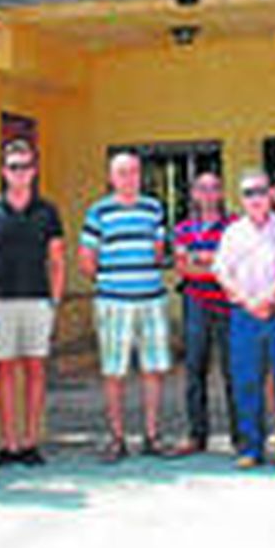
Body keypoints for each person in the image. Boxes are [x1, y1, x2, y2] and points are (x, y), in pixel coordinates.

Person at [80, 152, 172, 462]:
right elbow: (86, 260)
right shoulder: (98, 212)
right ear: (111, 177)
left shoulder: (154, 208)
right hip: (114, 302)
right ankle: (117, 438)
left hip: (152, 299)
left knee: (153, 370)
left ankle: (152, 435)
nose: (128, 178)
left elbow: (159, 253)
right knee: (113, 371)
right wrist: (114, 281)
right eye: (122, 172)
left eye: (133, 172)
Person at [0, 139, 65, 467]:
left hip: (37, 300)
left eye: (25, 166)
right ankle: (9, 443)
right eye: (14, 166)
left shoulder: (47, 211)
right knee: (3, 372)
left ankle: (30, 442)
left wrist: (54, 303)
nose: (20, 172)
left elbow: (57, 260)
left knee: (35, 371)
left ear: (34, 171)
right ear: (4, 171)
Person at [214, 169, 275, 470]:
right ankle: (251, 448)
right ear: (240, 199)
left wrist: (267, 296)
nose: (255, 198)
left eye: (261, 191)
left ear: (271, 195)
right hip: (244, 315)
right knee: (246, 382)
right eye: (248, 193)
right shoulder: (232, 232)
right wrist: (248, 300)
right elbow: (222, 273)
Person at [173, 171, 236, 456]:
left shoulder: (234, 226)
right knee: (194, 370)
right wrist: (215, 262)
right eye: (202, 188)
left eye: (214, 188)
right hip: (196, 303)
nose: (208, 194)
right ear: (194, 194)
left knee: (233, 372)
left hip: (229, 303)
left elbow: (234, 264)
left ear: (221, 193)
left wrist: (203, 260)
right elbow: (183, 268)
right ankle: (197, 436)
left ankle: (241, 436)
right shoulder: (184, 228)